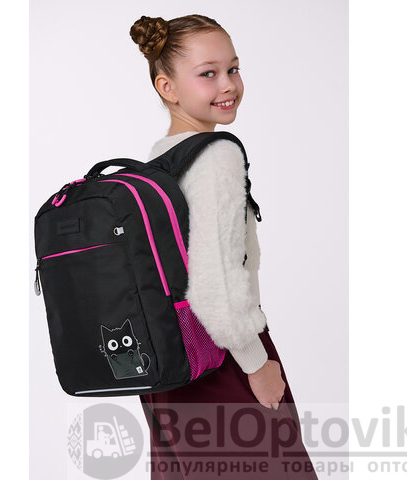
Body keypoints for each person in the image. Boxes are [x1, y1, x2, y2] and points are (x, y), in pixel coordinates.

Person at [130, 14, 318, 479]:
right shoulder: (216, 155)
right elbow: (212, 284)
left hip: (170, 365)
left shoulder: (159, 159)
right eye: (208, 73)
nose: (228, 84)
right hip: (222, 356)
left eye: (233, 68)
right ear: (167, 87)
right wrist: (256, 363)